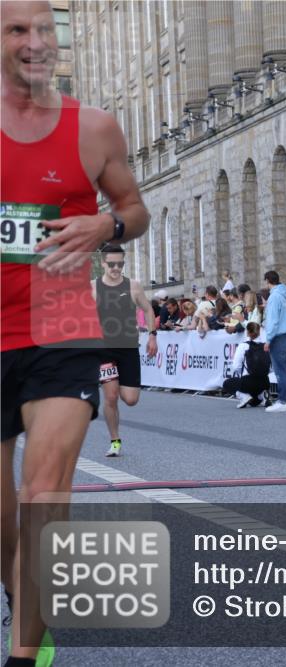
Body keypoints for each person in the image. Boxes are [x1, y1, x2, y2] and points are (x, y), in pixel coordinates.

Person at [2, 2, 150, 664]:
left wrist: (105, 226)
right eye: (17, 30)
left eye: (46, 29)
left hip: (60, 325)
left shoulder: (93, 128)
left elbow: (135, 209)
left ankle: (25, 653)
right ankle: (21, 592)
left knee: (42, 495)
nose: (36, 42)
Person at [92, 245, 157, 458]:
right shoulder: (93, 287)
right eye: (111, 264)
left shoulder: (133, 286)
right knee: (111, 397)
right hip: (104, 351)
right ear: (103, 263)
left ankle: (119, 383)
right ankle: (115, 441)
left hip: (128, 349)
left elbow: (148, 309)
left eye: (120, 264)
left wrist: (152, 336)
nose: (116, 268)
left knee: (130, 399)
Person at [262, 270, 286, 412]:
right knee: (285, 369)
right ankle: (284, 399)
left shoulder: (274, 297)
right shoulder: (284, 294)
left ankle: (282, 401)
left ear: (268, 281)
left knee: (280, 370)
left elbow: (273, 321)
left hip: (278, 337)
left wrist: (268, 339)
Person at [222, 322, 270, 409]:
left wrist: (243, 374)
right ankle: (261, 395)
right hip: (265, 382)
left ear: (247, 332)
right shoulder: (265, 346)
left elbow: (236, 366)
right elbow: (270, 366)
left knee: (227, 383)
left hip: (249, 381)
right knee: (254, 403)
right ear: (259, 332)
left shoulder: (243, 345)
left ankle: (244, 396)